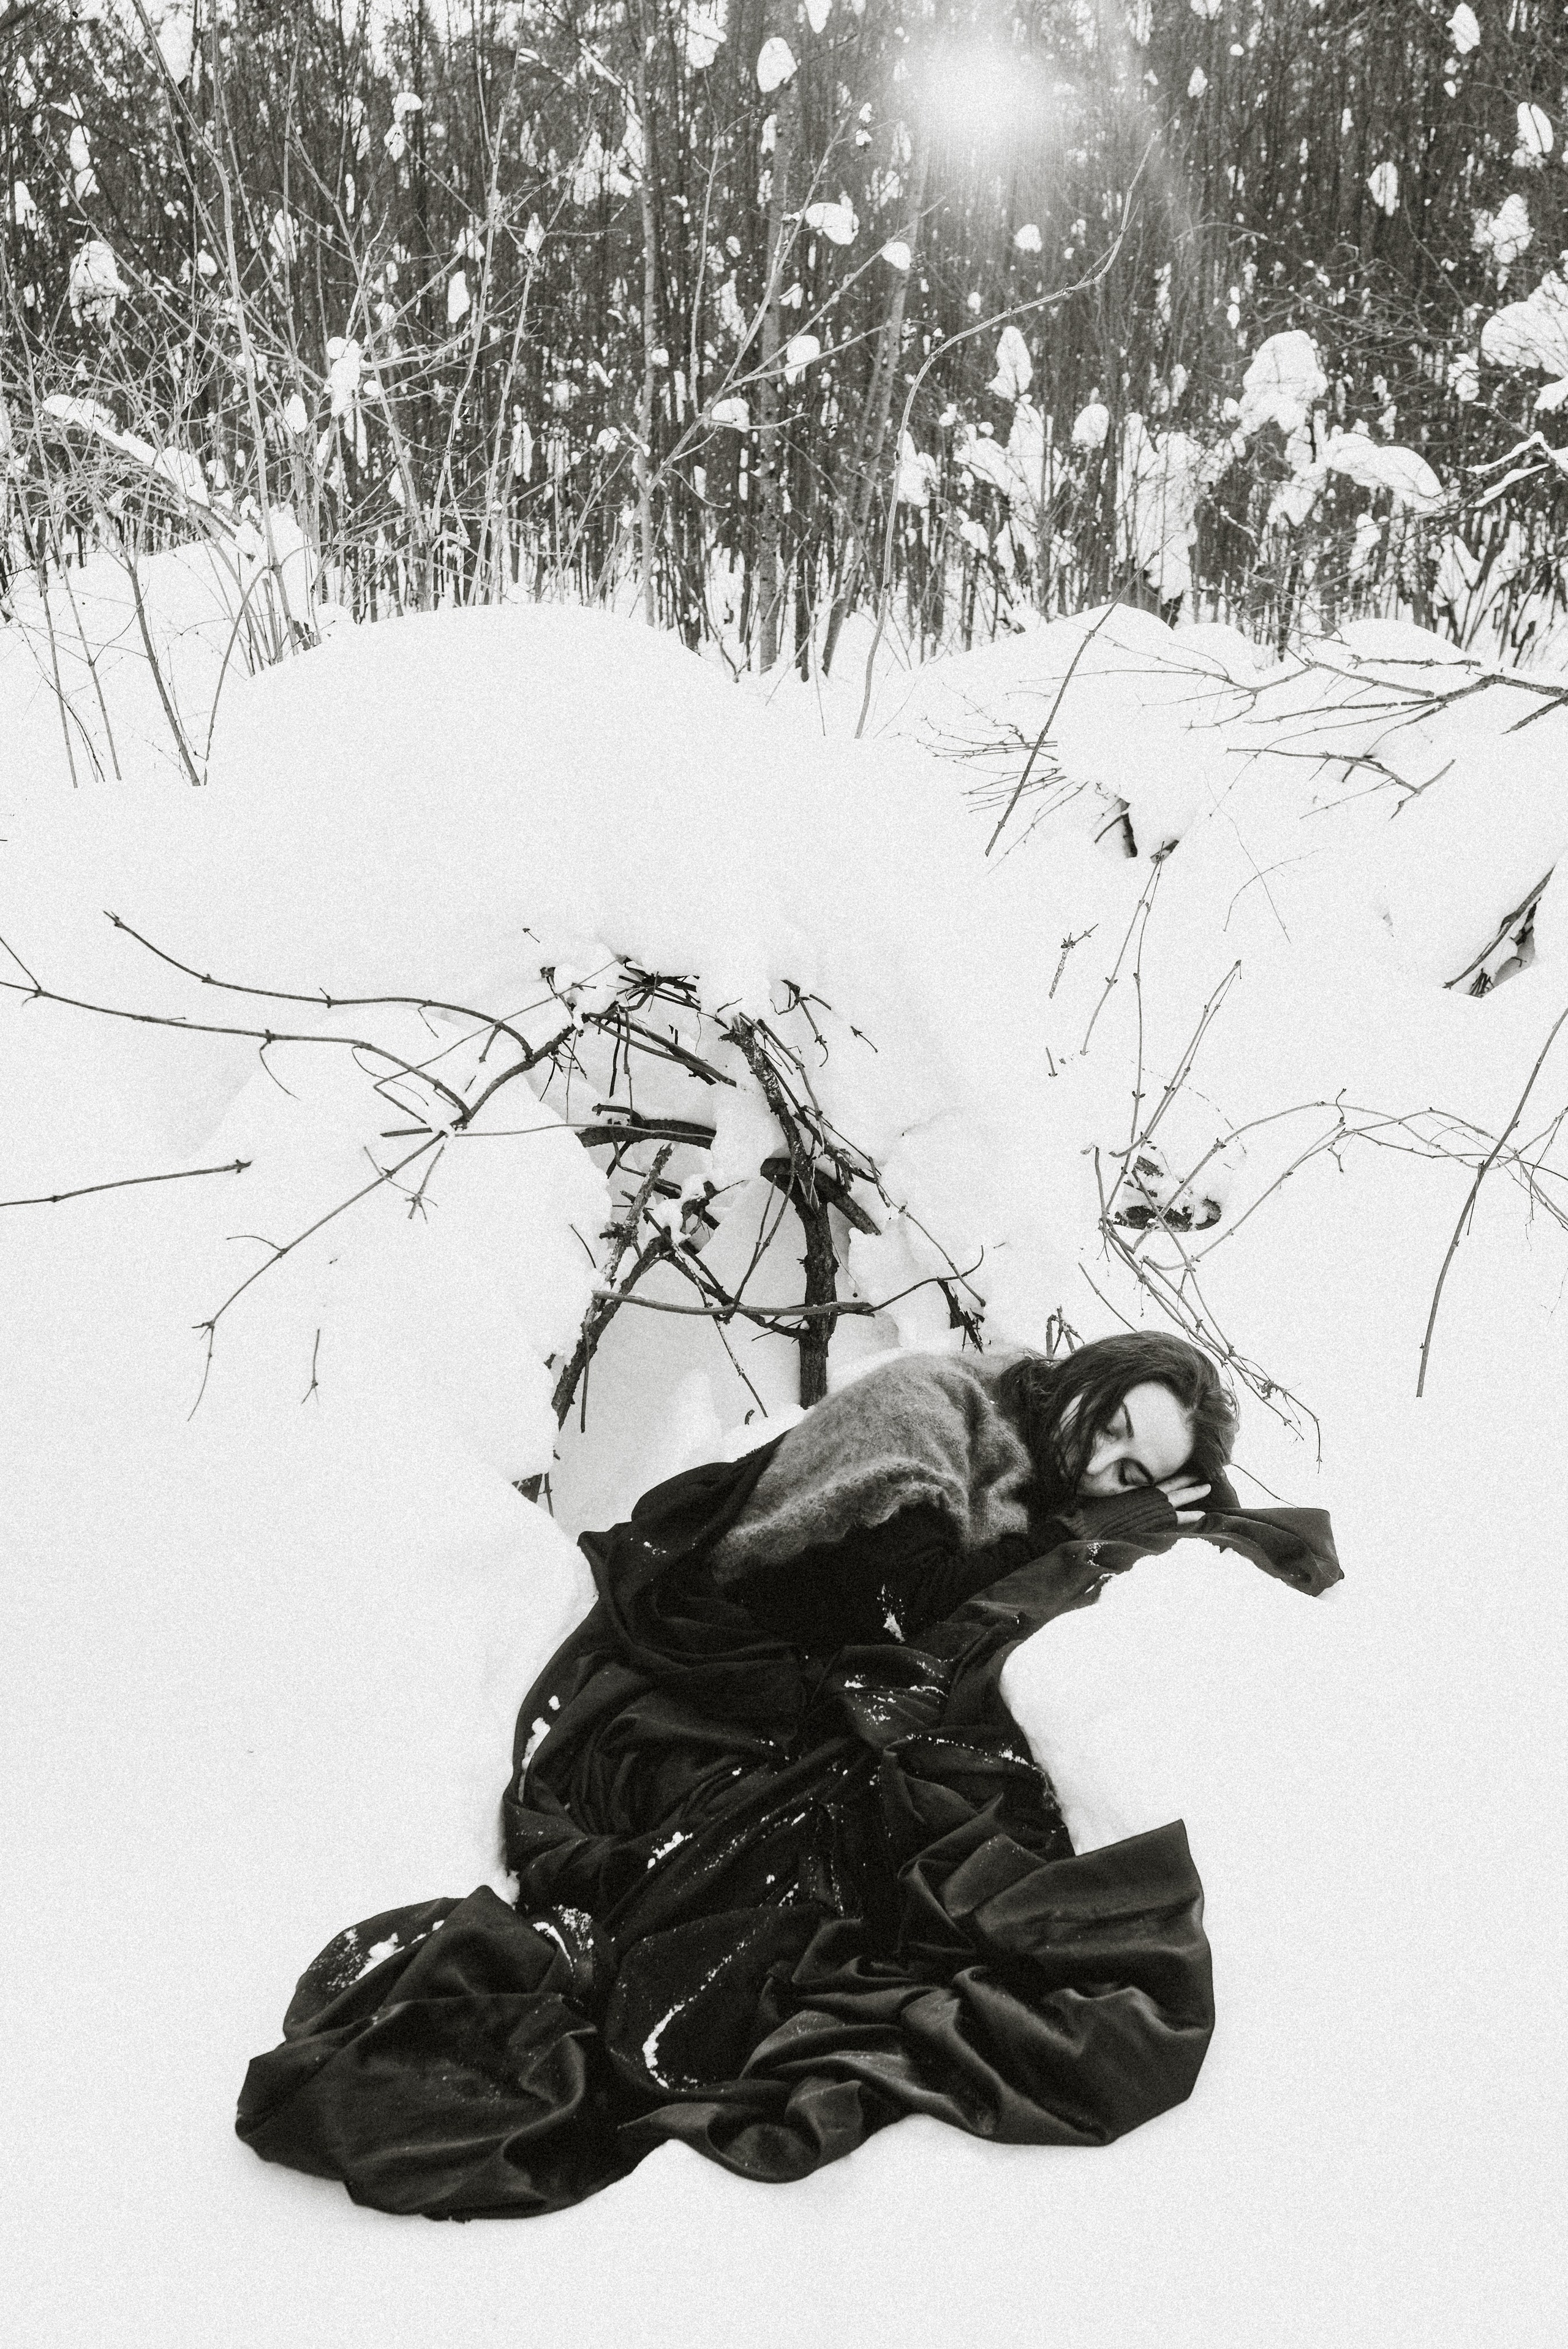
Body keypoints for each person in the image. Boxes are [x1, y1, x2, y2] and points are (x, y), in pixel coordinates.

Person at [237, 1333, 1340, 2220]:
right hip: (724, 1675)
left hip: (814, 1686)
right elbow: (891, 1599)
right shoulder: (936, 1402)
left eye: (1140, 1471)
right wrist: (1097, 1527)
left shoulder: (1039, 1477)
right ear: (1093, 1382)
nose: (1109, 1466)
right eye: (1115, 1429)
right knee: (771, 1887)